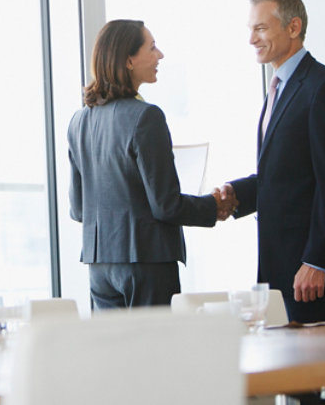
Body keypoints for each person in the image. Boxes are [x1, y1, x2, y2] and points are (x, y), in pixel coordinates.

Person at [217, 0, 325, 324]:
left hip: (312, 275)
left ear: (293, 27)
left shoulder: (324, 88)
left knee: (319, 373)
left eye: (261, 29)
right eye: (250, 30)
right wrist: (236, 194)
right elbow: (287, 175)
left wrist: (317, 261)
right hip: (281, 269)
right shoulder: (279, 88)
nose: (252, 39)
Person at [68, 19, 233, 310]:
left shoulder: (79, 121)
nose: (160, 55)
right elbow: (165, 206)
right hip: (147, 262)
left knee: (114, 354)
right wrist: (212, 206)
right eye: (152, 47)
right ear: (129, 60)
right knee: (153, 353)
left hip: (99, 266)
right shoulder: (146, 117)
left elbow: (78, 209)